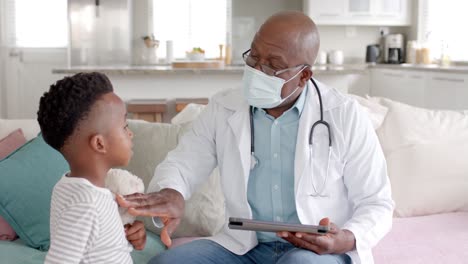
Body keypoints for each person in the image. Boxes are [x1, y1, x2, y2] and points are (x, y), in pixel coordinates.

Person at [118, 11, 394, 264]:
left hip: (314, 253)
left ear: (304, 75)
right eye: (253, 58)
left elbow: (376, 202)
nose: (257, 70)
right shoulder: (223, 107)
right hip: (243, 247)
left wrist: (344, 239)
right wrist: (172, 192)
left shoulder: (344, 114)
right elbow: (184, 162)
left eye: (273, 65)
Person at [38, 72, 147, 263]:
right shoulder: (86, 203)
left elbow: (94, 247)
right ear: (99, 144)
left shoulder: (69, 187)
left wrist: (124, 238)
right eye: (124, 126)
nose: (130, 134)